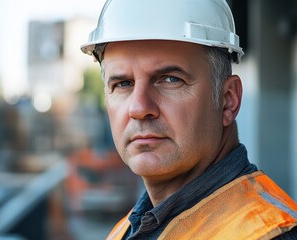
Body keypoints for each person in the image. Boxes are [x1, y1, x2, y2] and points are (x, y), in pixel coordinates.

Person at [80, 0, 297, 239]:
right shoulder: (128, 230)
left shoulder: (269, 233)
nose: (139, 108)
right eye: (122, 84)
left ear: (228, 100)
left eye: (170, 79)